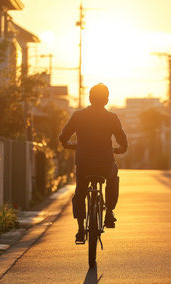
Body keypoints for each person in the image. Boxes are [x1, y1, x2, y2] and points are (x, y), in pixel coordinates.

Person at [59, 83, 128, 243]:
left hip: (83, 165)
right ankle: (109, 213)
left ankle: (81, 229)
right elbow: (121, 139)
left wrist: (67, 144)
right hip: (105, 164)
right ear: (106, 100)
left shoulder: (78, 116)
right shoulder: (112, 118)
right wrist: (121, 148)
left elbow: (63, 136)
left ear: (90, 98)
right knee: (113, 177)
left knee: (80, 194)